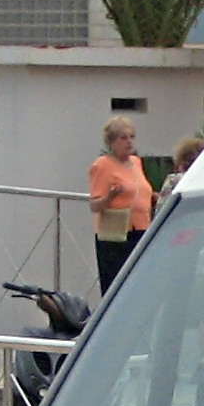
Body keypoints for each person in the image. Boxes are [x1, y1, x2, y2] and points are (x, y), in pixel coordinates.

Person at [88, 117, 155, 292]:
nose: (129, 141)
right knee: (116, 285)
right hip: (116, 233)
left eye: (132, 137)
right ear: (112, 142)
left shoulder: (136, 163)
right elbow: (94, 205)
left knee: (139, 284)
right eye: (123, 138)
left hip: (141, 229)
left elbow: (142, 190)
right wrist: (111, 196)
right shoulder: (102, 165)